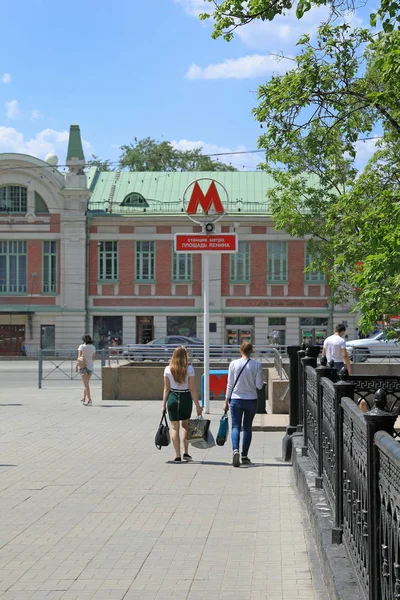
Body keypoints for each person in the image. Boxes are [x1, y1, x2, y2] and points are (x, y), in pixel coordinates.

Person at [223, 342, 263, 467]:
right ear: (251, 351)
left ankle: (235, 450)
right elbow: (259, 386)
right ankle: (244, 455)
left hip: (235, 399)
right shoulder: (257, 365)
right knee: (247, 427)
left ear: (240, 351)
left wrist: (226, 401)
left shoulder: (233, 364)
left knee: (235, 426)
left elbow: (229, 384)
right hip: (251, 399)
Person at [162, 346, 202, 462]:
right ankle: (186, 453)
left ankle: (177, 455)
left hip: (173, 398)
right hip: (185, 398)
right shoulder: (189, 369)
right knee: (185, 426)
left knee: (174, 428)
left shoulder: (168, 369)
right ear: (185, 356)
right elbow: (192, 388)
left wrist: (163, 404)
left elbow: (166, 388)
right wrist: (197, 405)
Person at [77, 334, 96, 405]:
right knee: (86, 384)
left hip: (83, 367)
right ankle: (83, 398)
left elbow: (79, 357)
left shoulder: (81, 346)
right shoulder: (93, 347)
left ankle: (90, 400)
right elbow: (93, 358)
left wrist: (76, 366)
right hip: (90, 367)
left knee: (86, 385)